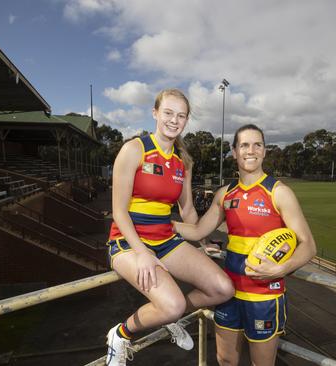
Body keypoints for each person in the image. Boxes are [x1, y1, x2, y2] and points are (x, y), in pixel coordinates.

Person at [105, 88, 235, 365]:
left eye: (181, 116)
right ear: (155, 113)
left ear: (187, 120)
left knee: (222, 288)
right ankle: (120, 334)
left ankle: (167, 316)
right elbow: (118, 211)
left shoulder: (183, 161)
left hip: (165, 239)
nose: (174, 120)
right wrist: (141, 253)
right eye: (168, 113)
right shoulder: (134, 149)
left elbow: (187, 209)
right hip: (128, 242)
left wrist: (203, 243)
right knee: (174, 304)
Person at [174, 124, 317, 366]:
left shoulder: (279, 192)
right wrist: (159, 225)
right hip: (229, 292)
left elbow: (308, 245)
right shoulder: (225, 194)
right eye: (244, 145)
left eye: (257, 145)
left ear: (264, 151)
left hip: (264, 297)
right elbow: (198, 229)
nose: (251, 151)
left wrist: (282, 268)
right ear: (234, 151)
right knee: (225, 359)